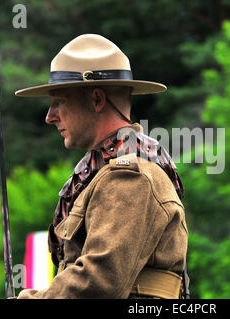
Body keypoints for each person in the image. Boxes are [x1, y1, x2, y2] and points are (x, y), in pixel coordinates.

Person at [14, 34, 189, 299]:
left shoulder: (131, 177)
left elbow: (98, 284)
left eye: (59, 101)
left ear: (97, 99)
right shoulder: (106, 174)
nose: (50, 116)